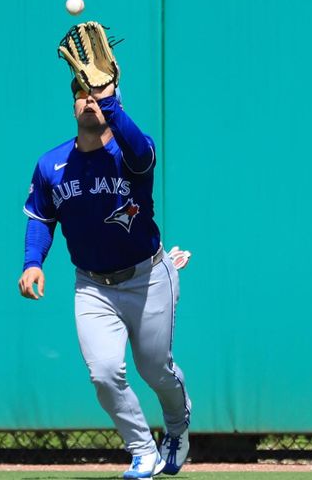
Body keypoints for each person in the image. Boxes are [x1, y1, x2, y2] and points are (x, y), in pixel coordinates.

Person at [18, 60, 192, 478]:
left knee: (155, 368)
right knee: (103, 374)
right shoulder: (51, 165)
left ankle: (177, 424)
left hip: (148, 277)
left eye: (95, 92)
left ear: (112, 100)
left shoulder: (132, 154)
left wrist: (108, 94)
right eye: (81, 92)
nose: (89, 98)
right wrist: (32, 262)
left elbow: (140, 148)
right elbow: (41, 218)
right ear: (73, 104)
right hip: (92, 286)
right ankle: (142, 450)